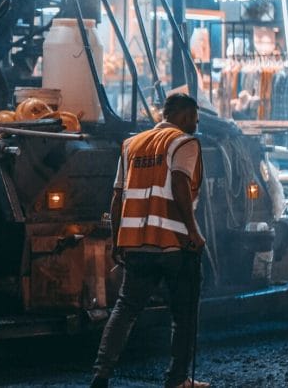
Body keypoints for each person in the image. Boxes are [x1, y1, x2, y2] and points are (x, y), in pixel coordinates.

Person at [90, 93, 209, 388]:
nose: (197, 123)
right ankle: (177, 379)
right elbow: (180, 184)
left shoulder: (131, 145)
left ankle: (101, 374)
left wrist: (117, 240)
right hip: (174, 245)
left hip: (135, 245)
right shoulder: (184, 142)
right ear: (183, 116)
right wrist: (193, 232)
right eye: (195, 117)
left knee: (125, 309)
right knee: (183, 315)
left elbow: (117, 196)